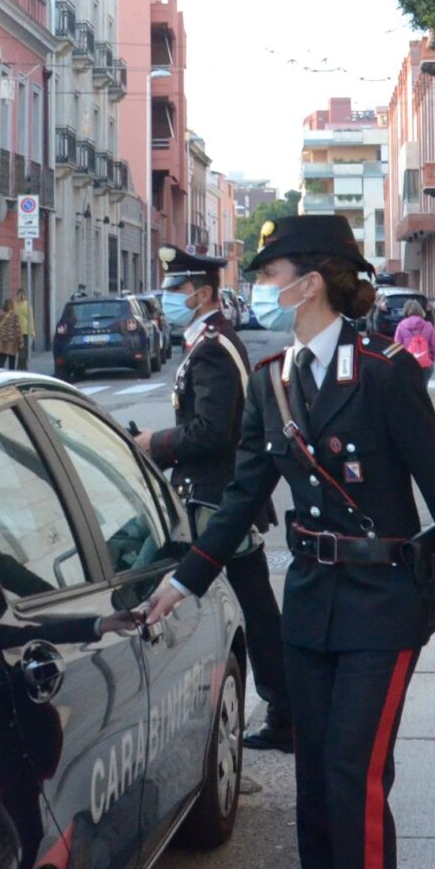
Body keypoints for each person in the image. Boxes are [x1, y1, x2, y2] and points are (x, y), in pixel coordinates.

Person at [142, 216, 435, 869]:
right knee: (315, 780)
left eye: (271, 274)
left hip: (384, 606)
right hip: (311, 602)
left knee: (355, 775)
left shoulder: (382, 375)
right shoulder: (276, 379)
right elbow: (243, 494)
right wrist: (187, 579)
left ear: (310, 282)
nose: (262, 289)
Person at [144, 245, 293, 752]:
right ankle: (284, 707)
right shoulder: (205, 341)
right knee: (250, 604)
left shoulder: (212, 347)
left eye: (174, 290)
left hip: (217, 500)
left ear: (202, 293)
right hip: (217, 497)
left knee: (240, 606)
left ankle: (281, 708)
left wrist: (153, 446)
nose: (166, 298)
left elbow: (211, 431)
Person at [0, 299, 24, 371]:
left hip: (1, 341)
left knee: (1, 361)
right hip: (11, 342)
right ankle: (11, 376)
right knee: (12, 362)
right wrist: (21, 341)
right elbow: (18, 329)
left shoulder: (0, 315)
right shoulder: (14, 315)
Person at [12, 291, 35, 371]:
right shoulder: (27, 305)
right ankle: (22, 366)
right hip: (25, 330)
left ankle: (19, 366)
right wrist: (32, 331)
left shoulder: (14, 305)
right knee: (24, 350)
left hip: (16, 330)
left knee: (18, 349)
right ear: (24, 295)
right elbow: (30, 319)